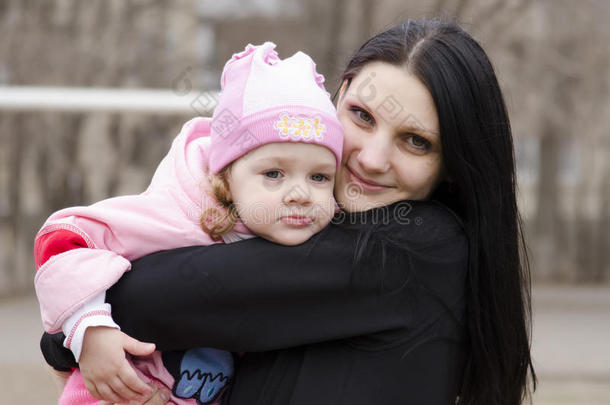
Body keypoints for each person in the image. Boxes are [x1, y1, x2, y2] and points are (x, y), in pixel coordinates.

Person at [41, 18, 537, 404]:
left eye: (415, 141)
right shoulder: (300, 223)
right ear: (335, 100)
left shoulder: (421, 246)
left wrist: (76, 327)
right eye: (361, 116)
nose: (370, 157)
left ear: (452, 165)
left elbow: (143, 299)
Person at [34, 42, 343, 405]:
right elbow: (63, 241)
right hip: (118, 391)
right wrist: (90, 328)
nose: (300, 193)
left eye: (320, 177)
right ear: (226, 177)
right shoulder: (175, 212)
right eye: (274, 173)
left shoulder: (326, 250)